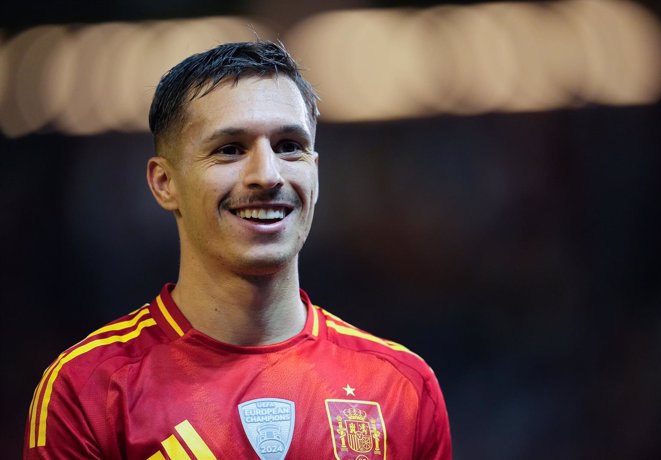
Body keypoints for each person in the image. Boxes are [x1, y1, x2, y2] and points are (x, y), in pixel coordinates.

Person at [24, 41, 452, 460]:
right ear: (164, 183)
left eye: (289, 147)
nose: (267, 175)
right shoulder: (87, 390)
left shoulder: (401, 388)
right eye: (230, 149)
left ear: (315, 174)